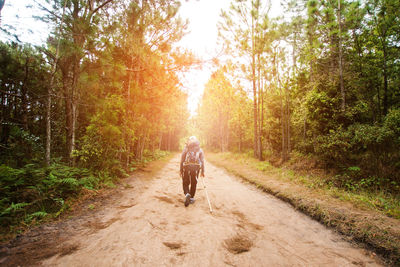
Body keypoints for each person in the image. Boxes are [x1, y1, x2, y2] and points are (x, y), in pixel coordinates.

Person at [180, 136, 205, 207]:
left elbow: (182, 160)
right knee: (194, 182)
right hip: (196, 168)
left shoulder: (186, 148)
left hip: (187, 167)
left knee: (185, 182)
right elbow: (202, 161)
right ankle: (191, 198)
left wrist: (181, 169)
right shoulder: (199, 149)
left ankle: (187, 193)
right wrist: (202, 171)